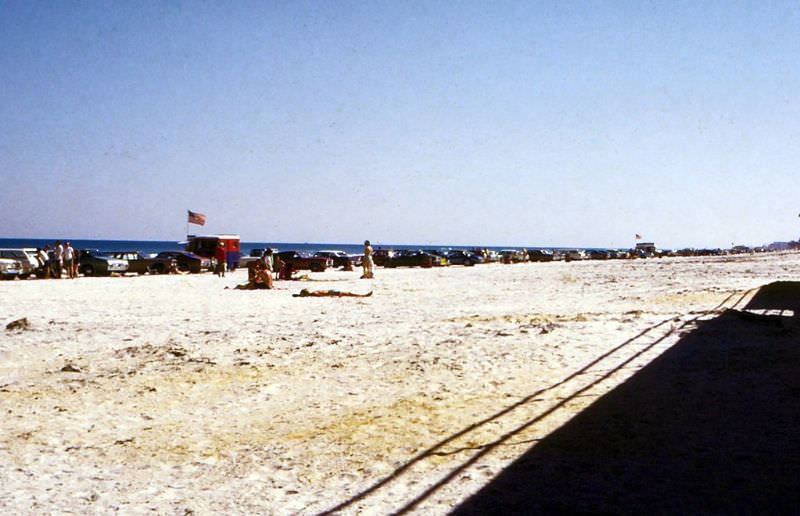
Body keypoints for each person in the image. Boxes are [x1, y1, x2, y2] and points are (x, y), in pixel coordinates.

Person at [293, 288, 372, 298]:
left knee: (348, 293)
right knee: (348, 293)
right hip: (332, 292)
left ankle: (363, 295)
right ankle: (363, 295)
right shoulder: (314, 293)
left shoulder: (313, 293)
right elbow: (323, 295)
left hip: (331, 292)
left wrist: (298, 295)